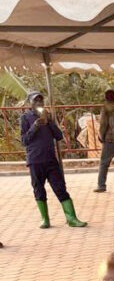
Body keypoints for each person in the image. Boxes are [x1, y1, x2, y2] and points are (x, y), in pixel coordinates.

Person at [20, 92, 87, 229]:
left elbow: (58, 136)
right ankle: (45, 219)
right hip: (35, 160)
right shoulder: (25, 118)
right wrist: (35, 126)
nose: (39, 103)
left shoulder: (48, 117)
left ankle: (71, 218)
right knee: (39, 189)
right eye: (36, 101)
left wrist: (49, 121)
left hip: (51, 159)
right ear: (30, 103)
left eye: (41, 100)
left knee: (60, 187)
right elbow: (24, 140)